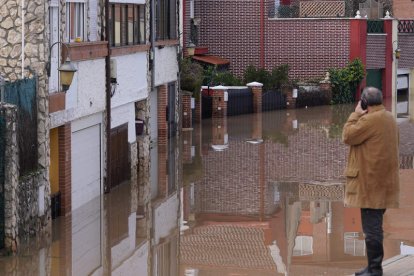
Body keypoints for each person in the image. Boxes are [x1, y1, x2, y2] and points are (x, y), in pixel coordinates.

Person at [342, 87, 400, 276]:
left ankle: (375, 270)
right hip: (384, 182)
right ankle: (373, 267)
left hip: (370, 184)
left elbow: (348, 136)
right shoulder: (390, 117)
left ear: (365, 103)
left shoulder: (368, 120)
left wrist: (355, 114)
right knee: (375, 225)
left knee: (372, 229)